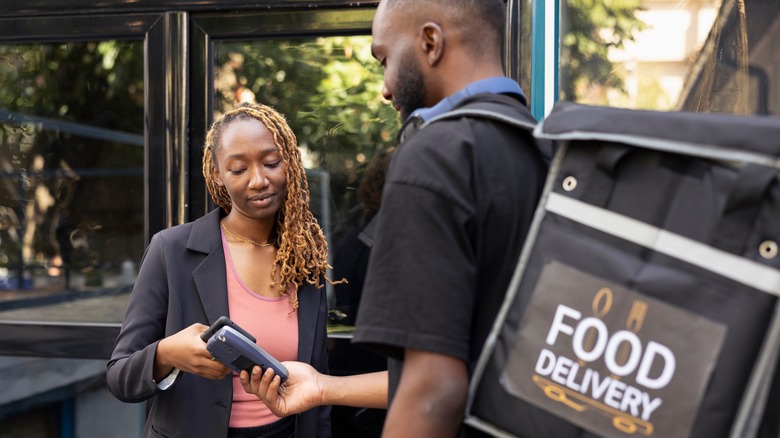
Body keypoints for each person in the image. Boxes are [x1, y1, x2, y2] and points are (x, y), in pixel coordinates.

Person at [241, 0, 550, 437]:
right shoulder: (543, 149)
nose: (386, 89)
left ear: (430, 42)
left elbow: (432, 388)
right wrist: (324, 387)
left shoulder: (435, 155)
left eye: (385, 59)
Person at [106, 102, 333, 438]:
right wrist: (167, 354)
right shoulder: (172, 250)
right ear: (217, 174)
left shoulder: (302, 257)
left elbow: (319, 381)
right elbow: (119, 377)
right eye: (238, 169)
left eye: (271, 163)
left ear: (290, 162)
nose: (259, 180)